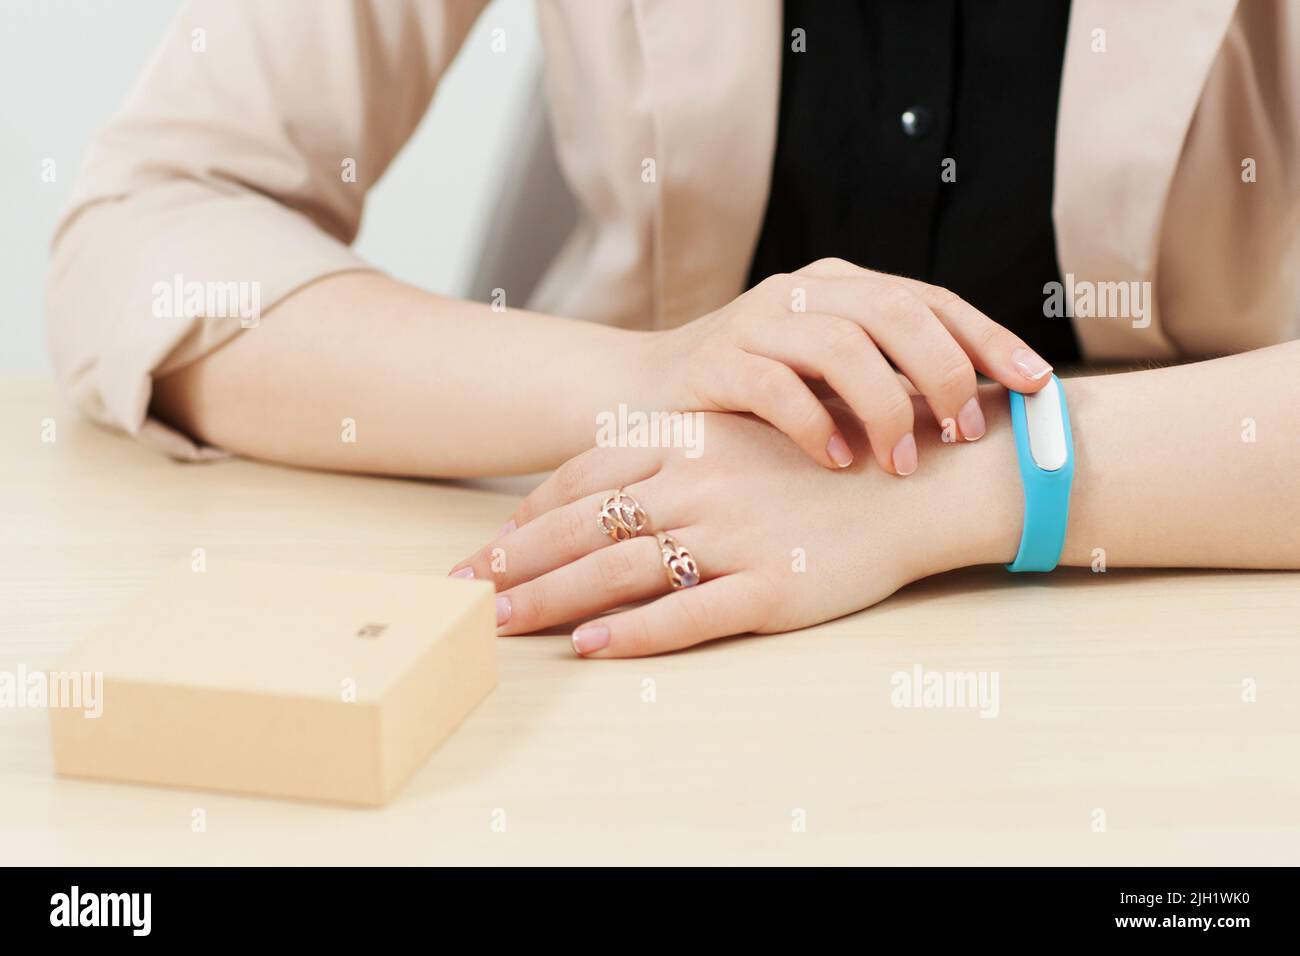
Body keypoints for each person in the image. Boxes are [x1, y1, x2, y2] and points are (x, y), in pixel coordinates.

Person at [46, 1, 1300, 657]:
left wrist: (959, 484)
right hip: (648, 614)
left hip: (1173, 615)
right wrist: (656, 381)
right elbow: (147, 226)